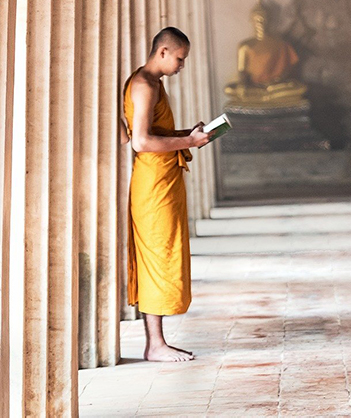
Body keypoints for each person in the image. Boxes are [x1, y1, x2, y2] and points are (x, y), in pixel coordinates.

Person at [123, 27, 211, 362]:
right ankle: (155, 344)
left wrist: (187, 133)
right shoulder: (144, 84)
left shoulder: (153, 83)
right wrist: (188, 142)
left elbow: (155, 133)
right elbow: (141, 141)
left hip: (162, 178)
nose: (181, 65)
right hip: (152, 182)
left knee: (165, 253)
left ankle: (157, 341)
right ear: (163, 51)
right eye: (179, 58)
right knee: (157, 256)